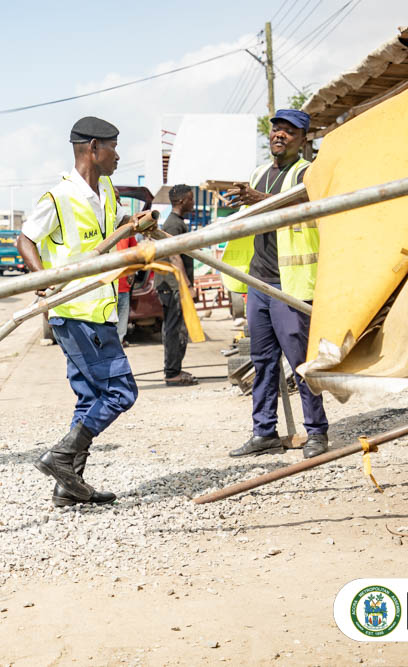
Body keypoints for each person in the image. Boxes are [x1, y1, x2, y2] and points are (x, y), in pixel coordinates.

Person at [17, 116, 147, 507]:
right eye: (113, 148)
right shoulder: (58, 197)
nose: (118, 155)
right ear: (93, 148)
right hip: (74, 311)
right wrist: (40, 278)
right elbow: (25, 239)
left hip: (100, 307)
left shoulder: (106, 190)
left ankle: (68, 486)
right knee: (121, 392)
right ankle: (60, 457)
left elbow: (115, 228)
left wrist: (135, 223)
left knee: (89, 397)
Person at [222, 109, 328, 459]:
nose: (280, 135)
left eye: (289, 131)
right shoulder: (259, 174)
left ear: (303, 139)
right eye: (276, 129)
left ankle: (317, 432)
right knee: (263, 360)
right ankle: (264, 432)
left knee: (301, 362)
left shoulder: (307, 172)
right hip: (258, 281)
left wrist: (256, 198)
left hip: (290, 284)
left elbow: (301, 203)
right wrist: (240, 200)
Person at [155, 184, 198, 386]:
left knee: (176, 329)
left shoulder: (176, 222)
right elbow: (174, 256)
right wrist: (187, 285)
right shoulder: (173, 225)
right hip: (173, 285)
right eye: (191, 199)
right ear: (181, 201)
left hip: (173, 284)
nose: (193, 202)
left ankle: (175, 369)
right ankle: (172, 374)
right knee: (175, 330)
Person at [114, 233, 138, 346]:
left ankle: (118, 343)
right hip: (107, 287)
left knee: (121, 318)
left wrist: (132, 271)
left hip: (123, 285)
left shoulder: (127, 231)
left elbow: (135, 251)